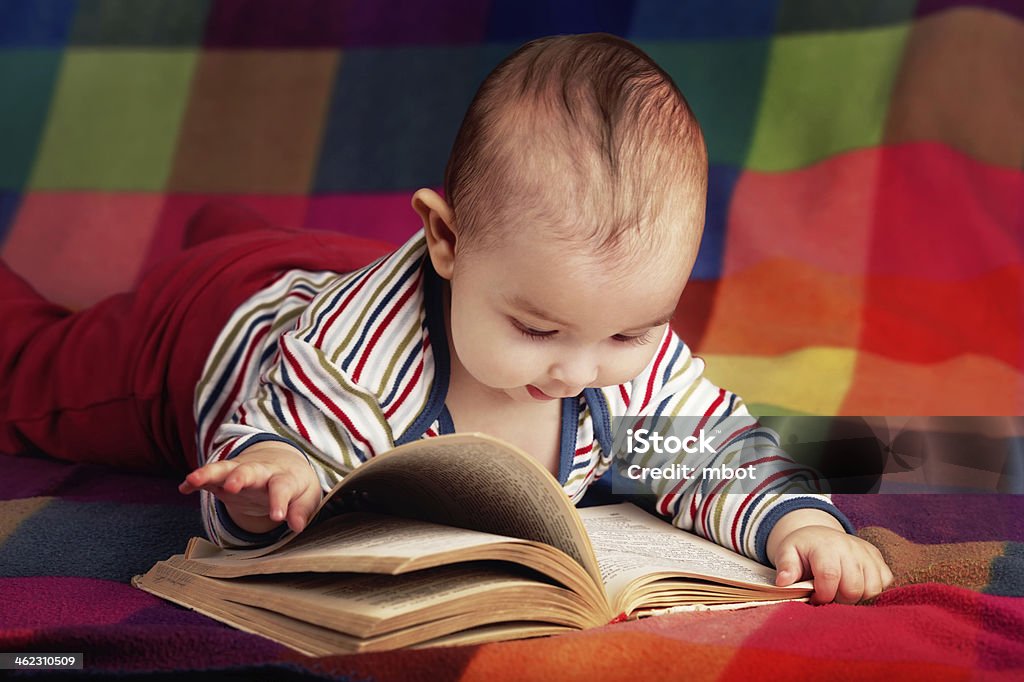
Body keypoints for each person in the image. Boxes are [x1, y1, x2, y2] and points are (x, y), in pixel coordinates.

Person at [0, 33, 891, 604]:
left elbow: (712, 456)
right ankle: (217, 248)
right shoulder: (358, 362)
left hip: (334, 265)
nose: (581, 370)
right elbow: (260, 473)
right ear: (446, 238)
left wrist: (797, 525)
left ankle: (234, 230)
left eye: (628, 331)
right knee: (30, 371)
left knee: (276, 249)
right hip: (208, 330)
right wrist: (276, 479)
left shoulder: (626, 356)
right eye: (539, 330)